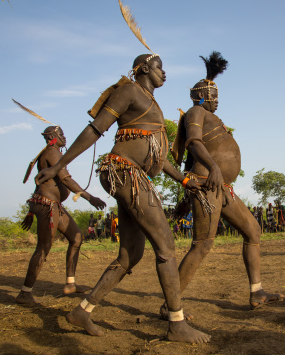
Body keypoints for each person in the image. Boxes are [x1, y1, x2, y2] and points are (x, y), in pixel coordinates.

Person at [35, 53, 210, 343]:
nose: (164, 73)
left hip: (134, 176)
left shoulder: (150, 101)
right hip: (124, 172)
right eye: (159, 68)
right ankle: (177, 323)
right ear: (143, 69)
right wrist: (57, 165)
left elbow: (158, 155)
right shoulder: (128, 90)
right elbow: (95, 129)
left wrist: (186, 180)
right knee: (165, 244)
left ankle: (83, 311)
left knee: (131, 253)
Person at [169, 51, 283, 316]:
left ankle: (257, 293)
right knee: (202, 245)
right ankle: (170, 303)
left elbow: (189, 160)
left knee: (253, 231)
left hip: (221, 189)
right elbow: (193, 143)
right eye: (213, 97)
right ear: (201, 97)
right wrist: (214, 167)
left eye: (217, 97)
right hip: (209, 186)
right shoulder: (195, 112)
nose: (217, 101)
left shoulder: (209, 116)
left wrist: (187, 195)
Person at [17, 126, 106, 305]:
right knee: (43, 247)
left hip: (52, 206)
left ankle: (70, 284)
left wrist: (30, 210)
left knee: (76, 237)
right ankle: (25, 293)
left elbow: (41, 181)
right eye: (61, 135)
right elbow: (65, 179)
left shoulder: (53, 153)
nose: (64, 138)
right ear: (52, 137)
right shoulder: (52, 153)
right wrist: (90, 197)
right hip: (47, 206)